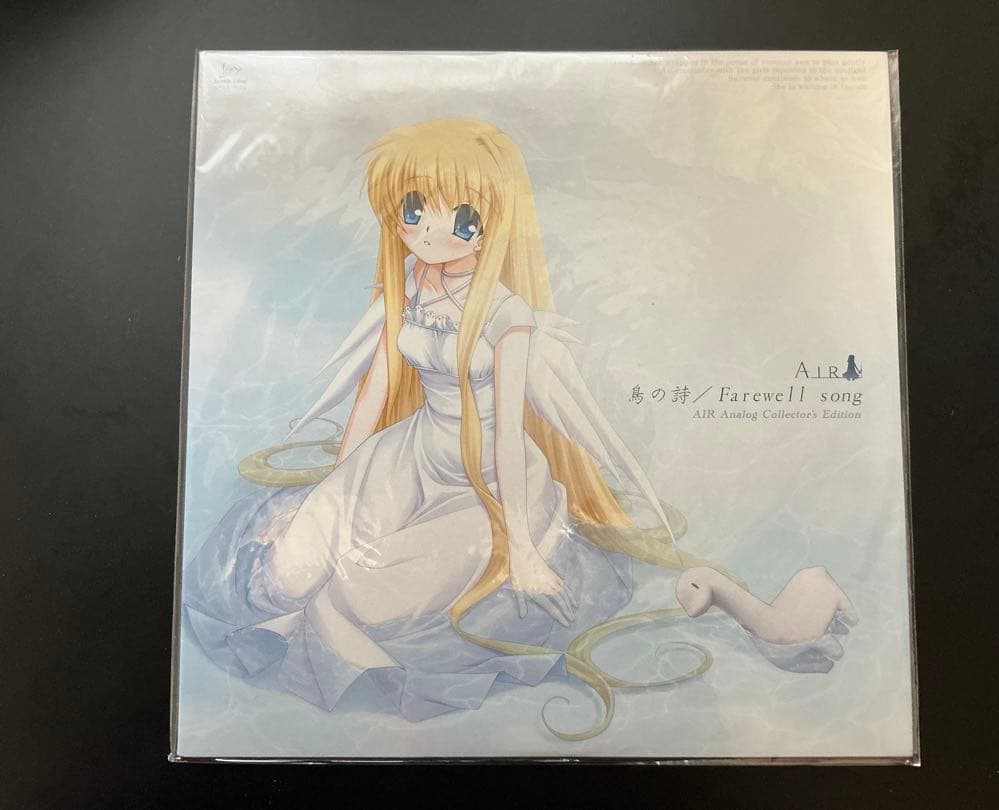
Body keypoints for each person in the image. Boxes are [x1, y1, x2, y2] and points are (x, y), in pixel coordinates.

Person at [182, 118, 852, 741]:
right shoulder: (408, 282)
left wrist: (523, 548)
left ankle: (789, 598)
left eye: (460, 218)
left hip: (490, 481)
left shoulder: (508, 315)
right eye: (414, 210)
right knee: (287, 574)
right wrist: (337, 482)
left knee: (365, 597)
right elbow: (377, 388)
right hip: (407, 454)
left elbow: (506, 432)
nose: (431, 232)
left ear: (490, 223)